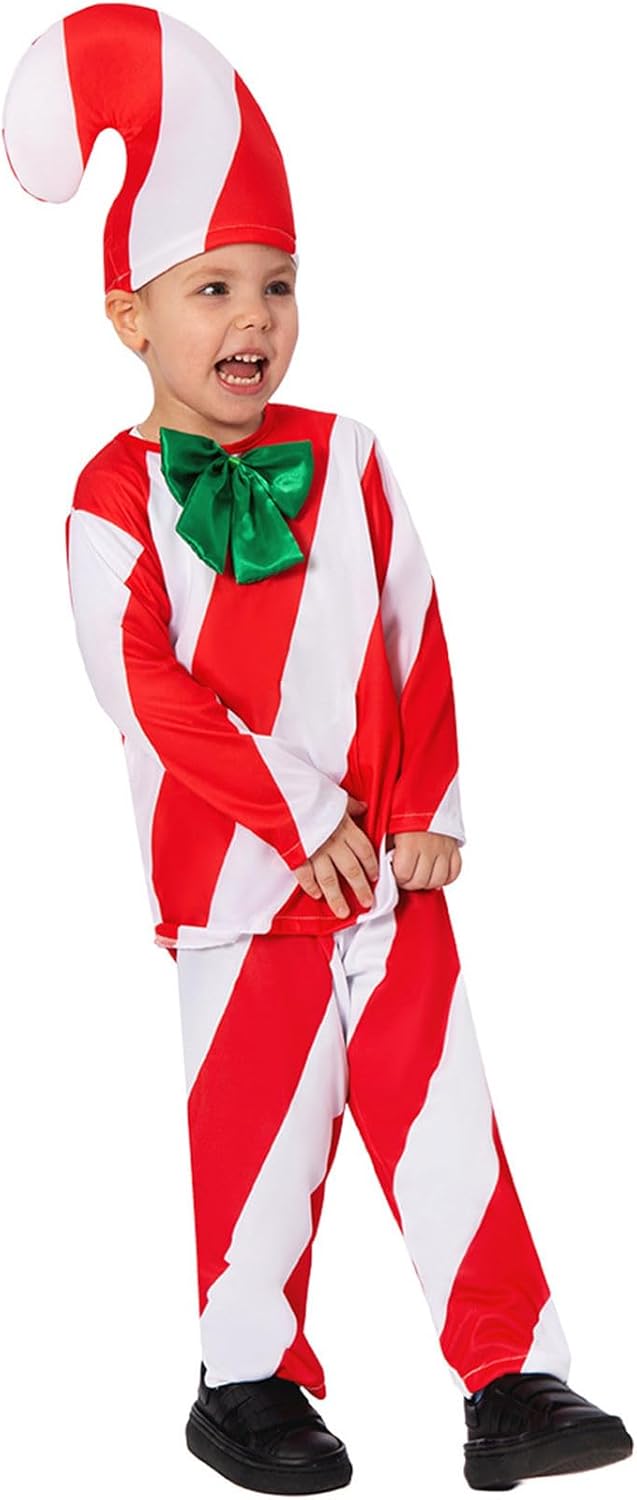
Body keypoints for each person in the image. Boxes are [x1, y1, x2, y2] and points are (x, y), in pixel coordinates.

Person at [2, 5, 633, 1494]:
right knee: (260, 1142)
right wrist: (297, 814)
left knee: (446, 1120)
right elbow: (141, 690)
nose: (255, 318)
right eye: (213, 287)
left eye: (277, 285)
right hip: (237, 884)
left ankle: (510, 1375)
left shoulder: (348, 454)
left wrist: (426, 805)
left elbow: (414, 625)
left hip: (388, 874)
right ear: (129, 317)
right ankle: (246, 1381)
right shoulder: (108, 498)